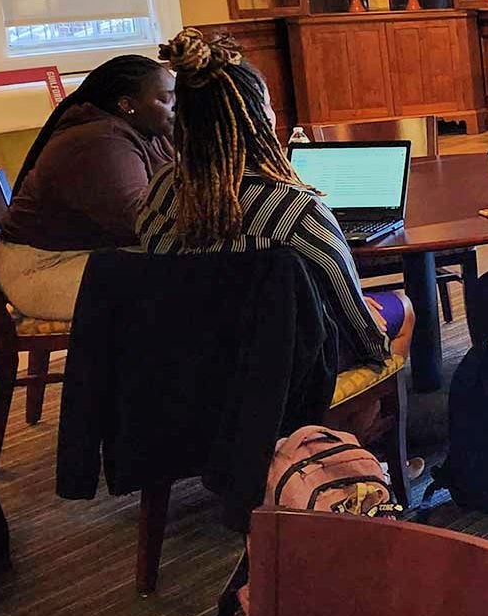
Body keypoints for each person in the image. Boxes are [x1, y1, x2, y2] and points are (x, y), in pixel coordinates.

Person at [137, 29, 396, 370]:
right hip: (287, 369)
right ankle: (350, 417)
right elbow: (350, 313)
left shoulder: (159, 190)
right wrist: (376, 345)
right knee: (398, 311)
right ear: (259, 117)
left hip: (188, 366)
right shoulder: (295, 209)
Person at [0, 55, 175, 321]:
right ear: (127, 105)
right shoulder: (100, 141)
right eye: (165, 99)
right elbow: (141, 222)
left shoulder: (149, 130)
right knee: (184, 283)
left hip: (87, 254)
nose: (175, 107)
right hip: (43, 269)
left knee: (201, 270)